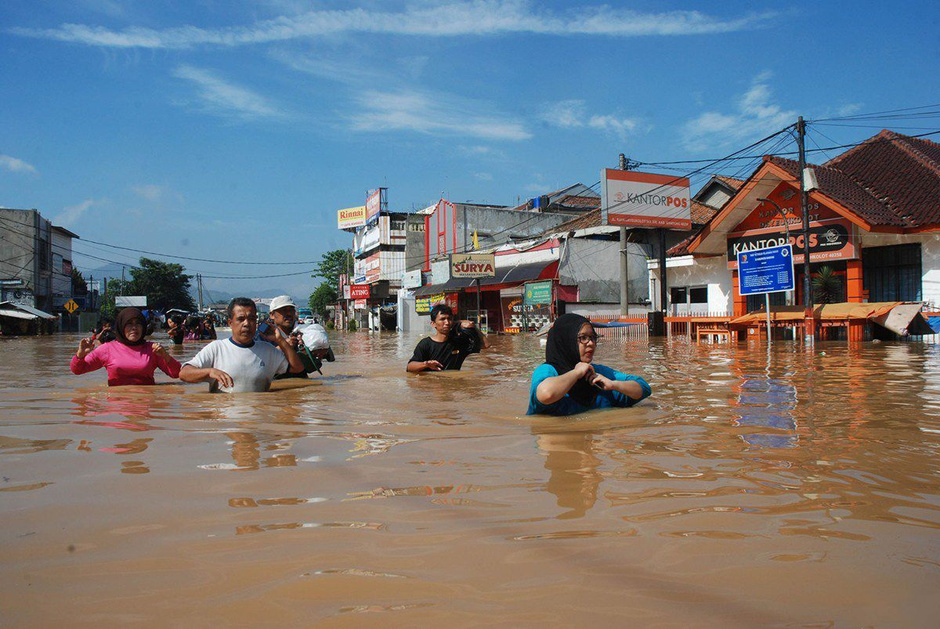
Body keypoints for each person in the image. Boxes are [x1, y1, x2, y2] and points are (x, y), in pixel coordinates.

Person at [527, 313, 651, 416]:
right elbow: (545, 394)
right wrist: (576, 373)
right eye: (583, 338)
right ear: (565, 341)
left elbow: (644, 388)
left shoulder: (597, 374)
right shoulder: (548, 371)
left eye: (593, 338)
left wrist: (614, 385)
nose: (591, 343)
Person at [179, 297, 305, 392]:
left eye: (251, 319)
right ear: (230, 322)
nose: (246, 324)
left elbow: (297, 368)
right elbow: (184, 373)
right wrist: (209, 372)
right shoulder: (216, 348)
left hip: (259, 421)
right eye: (240, 319)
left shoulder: (268, 350)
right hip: (225, 423)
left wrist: (281, 341)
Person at [70, 307, 182, 386]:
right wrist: (80, 355)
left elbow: (177, 374)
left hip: (145, 405)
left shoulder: (153, 349)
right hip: (116, 409)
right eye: (129, 324)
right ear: (121, 326)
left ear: (143, 327)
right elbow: (77, 370)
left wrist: (165, 355)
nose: (134, 328)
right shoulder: (107, 349)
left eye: (138, 323)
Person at [260, 295, 334, 379]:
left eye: (291, 310)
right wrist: (283, 346)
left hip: (302, 383)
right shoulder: (264, 334)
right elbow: (257, 362)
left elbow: (328, 358)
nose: (288, 314)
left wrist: (318, 351)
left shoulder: (306, 332)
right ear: (272, 315)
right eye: (283, 311)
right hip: (275, 382)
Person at [407, 304, 488, 373]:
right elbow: (409, 367)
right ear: (433, 324)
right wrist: (426, 364)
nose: (447, 322)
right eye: (442, 319)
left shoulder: (459, 342)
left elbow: (486, 345)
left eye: (449, 319)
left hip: (453, 387)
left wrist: (473, 327)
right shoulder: (426, 344)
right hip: (432, 387)